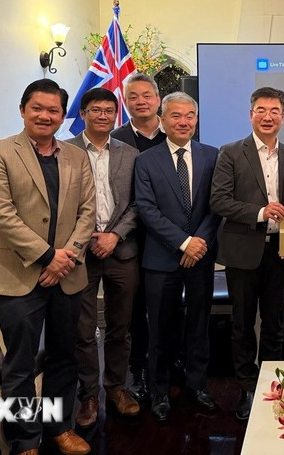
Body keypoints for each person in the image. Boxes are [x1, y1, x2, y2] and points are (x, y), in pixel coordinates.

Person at [0, 79, 95, 455]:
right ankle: (24, 440)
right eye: (38, 108)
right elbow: (2, 216)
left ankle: (59, 428)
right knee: (20, 363)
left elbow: (87, 212)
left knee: (65, 356)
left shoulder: (77, 157)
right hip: (19, 274)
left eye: (54, 110)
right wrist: (49, 256)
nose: (46, 116)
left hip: (68, 275)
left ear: (64, 115)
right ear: (23, 110)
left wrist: (67, 258)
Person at [209, 87, 284, 421]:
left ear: (283, 116)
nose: (268, 116)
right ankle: (247, 386)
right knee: (243, 323)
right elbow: (219, 201)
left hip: (281, 253)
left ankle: (272, 384)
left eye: (275, 110)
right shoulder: (231, 152)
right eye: (261, 110)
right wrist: (261, 212)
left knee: (276, 323)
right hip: (242, 251)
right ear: (251, 114)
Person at [133, 92, 221, 421]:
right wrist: (184, 242)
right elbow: (146, 209)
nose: (183, 122)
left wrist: (199, 242)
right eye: (175, 116)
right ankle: (159, 391)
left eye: (190, 116)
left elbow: (218, 206)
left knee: (199, 324)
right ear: (162, 119)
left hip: (201, 256)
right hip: (161, 258)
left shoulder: (212, 156)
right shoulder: (146, 160)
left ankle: (197, 385)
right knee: (159, 328)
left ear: (196, 120)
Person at [66, 87, 141, 427]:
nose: (102, 116)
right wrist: (86, 239)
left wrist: (115, 235)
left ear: (116, 115)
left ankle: (116, 388)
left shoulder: (131, 154)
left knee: (120, 327)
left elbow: (140, 203)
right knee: (83, 330)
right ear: (83, 113)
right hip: (79, 254)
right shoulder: (64, 152)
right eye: (95, 110)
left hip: (121, 250)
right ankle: (88, 395)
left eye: (109, 111)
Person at [110, 73, 170, 403]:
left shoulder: (175, 134)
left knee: (171, 306)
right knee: (136, 311)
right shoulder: (115, 139)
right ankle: (139, 368)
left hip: (172, 239)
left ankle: (170, 361)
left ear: (158, 99)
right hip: (131, 241)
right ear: (125, 101)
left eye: (147, 95)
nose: (141, 101)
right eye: (134, 96)